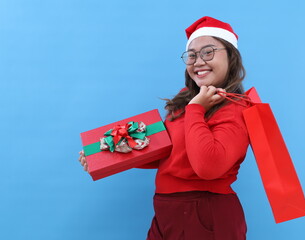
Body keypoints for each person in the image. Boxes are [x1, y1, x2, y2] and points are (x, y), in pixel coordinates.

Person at [79, 16, 249, 240]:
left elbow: (209, 166)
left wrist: (196, 109)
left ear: (231, 57)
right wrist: (104, 155)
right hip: (167, 211)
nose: (198, 61)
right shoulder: (186, 98)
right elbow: (168, 151)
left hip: (205, 213)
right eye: (192, 55)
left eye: (208, 52)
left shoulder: (236, 107)